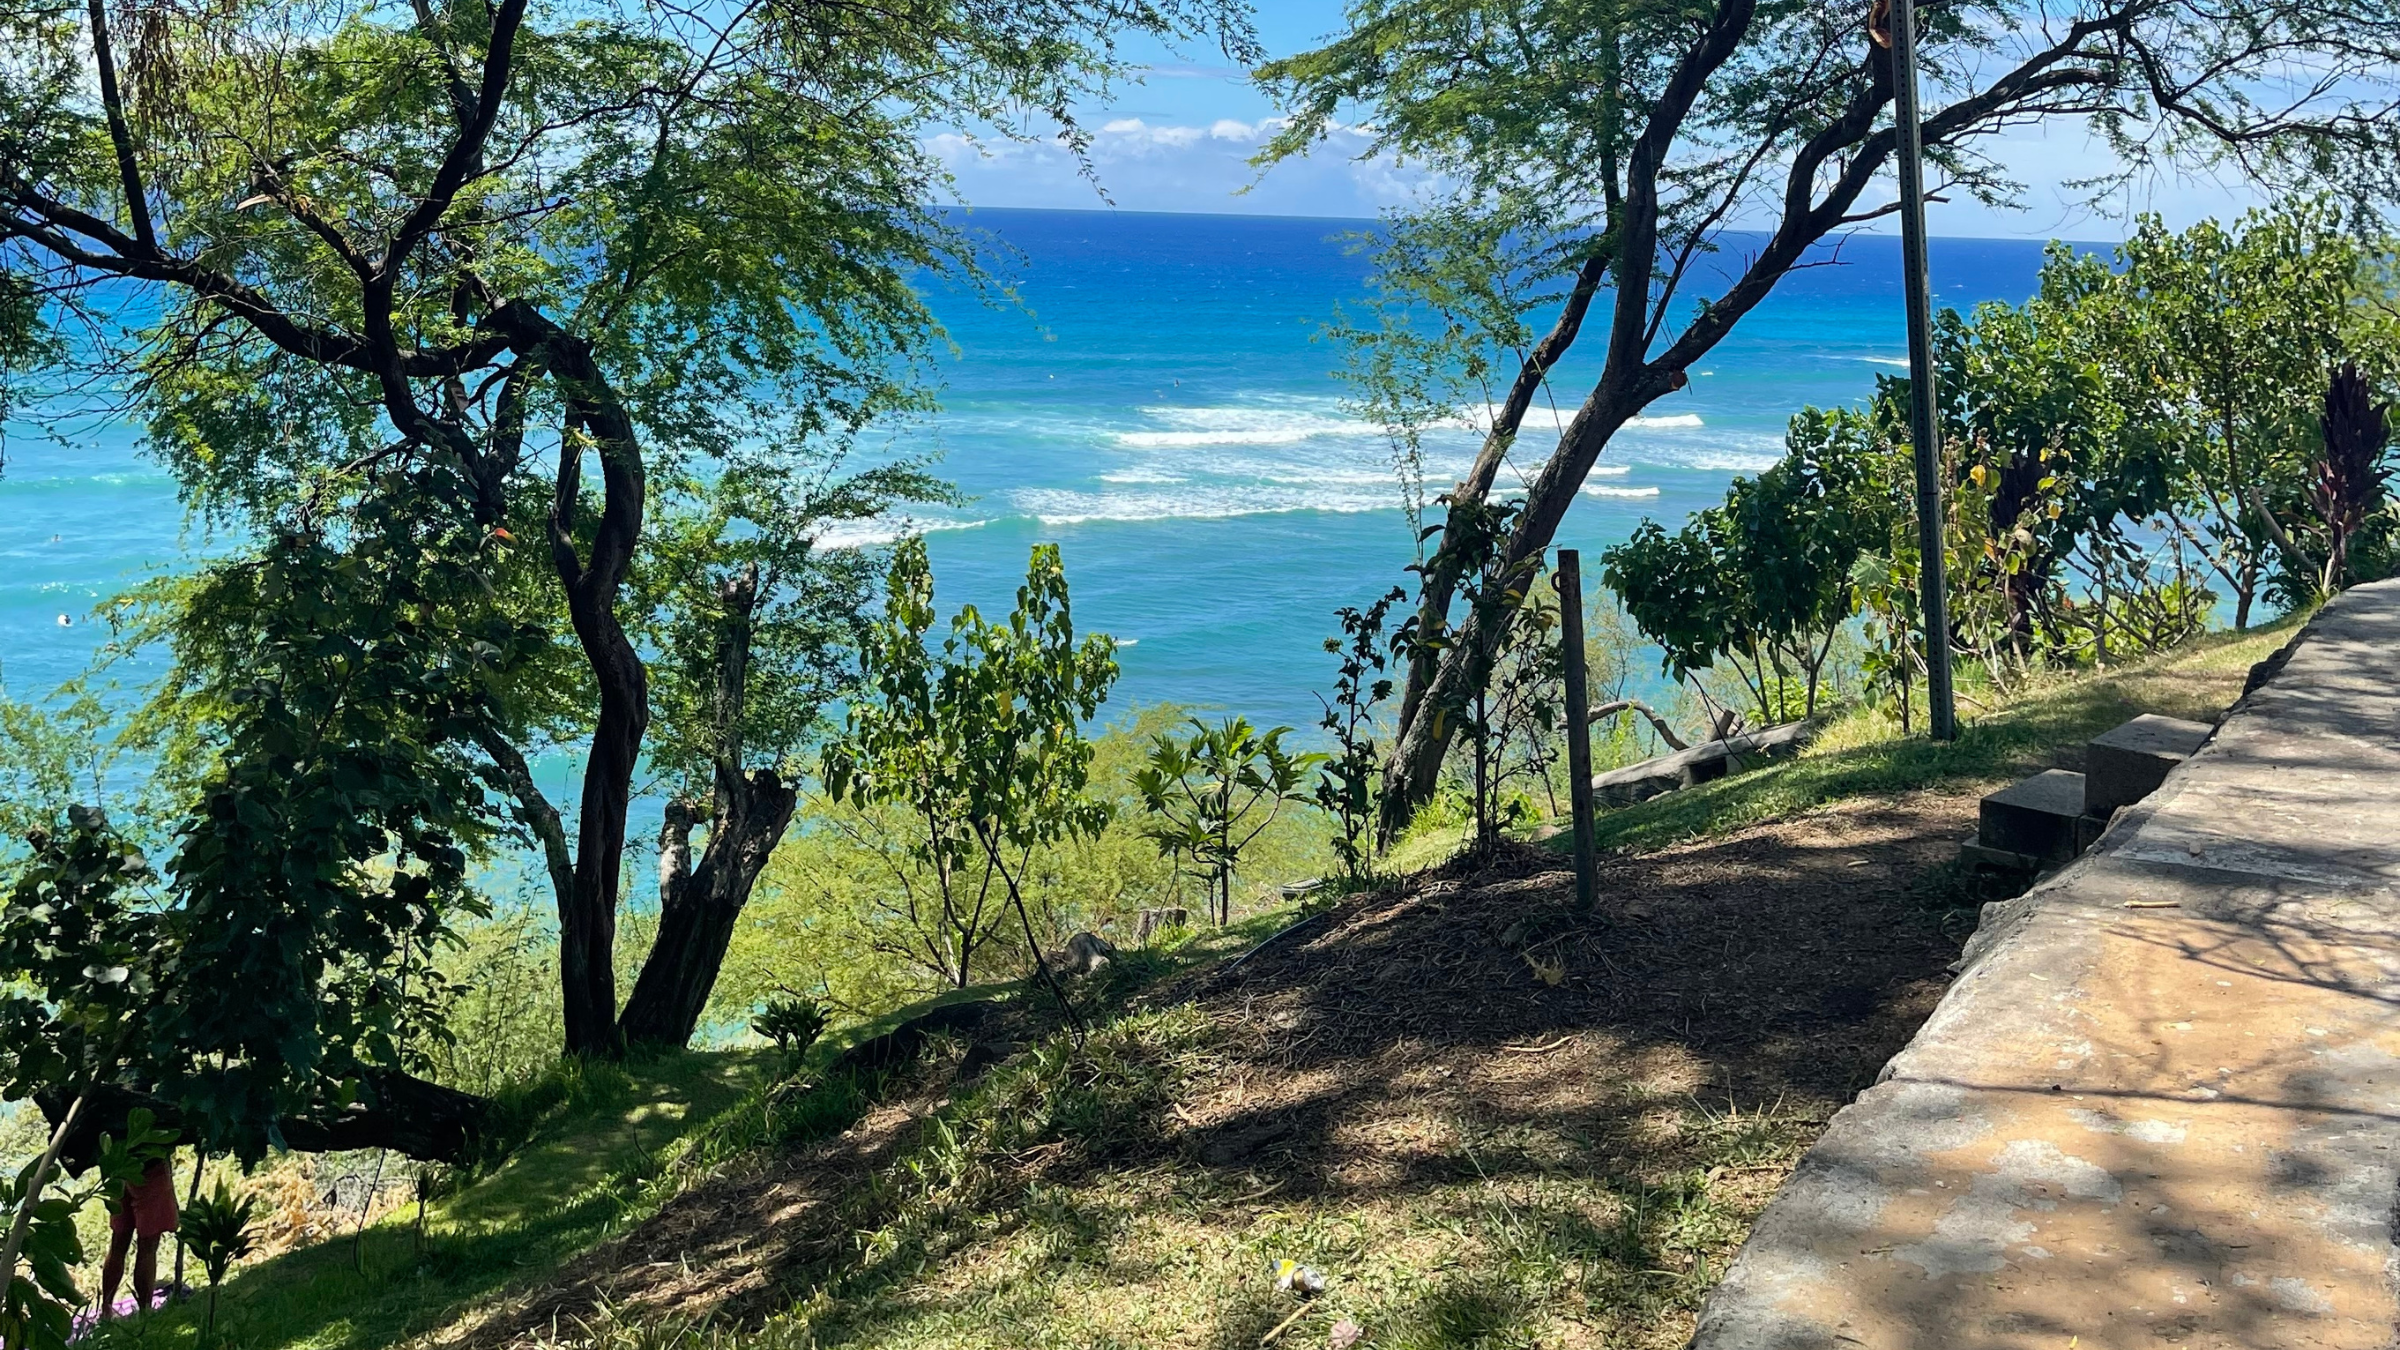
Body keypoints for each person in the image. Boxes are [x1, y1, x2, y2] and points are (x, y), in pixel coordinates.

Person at [98, 1156, 179, 1318]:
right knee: (148, 1246)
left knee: (118, 1243)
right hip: (150, 1166)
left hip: (120, 1165)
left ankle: (106, 1310)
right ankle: (145, 1311)